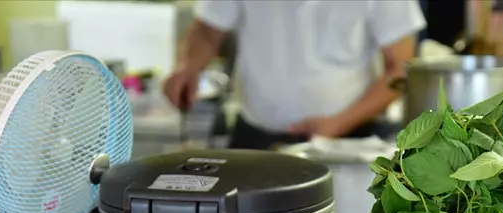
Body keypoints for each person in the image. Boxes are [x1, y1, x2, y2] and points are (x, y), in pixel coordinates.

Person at [164, 0, 426, 150]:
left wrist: (339, 123)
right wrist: (188, 66)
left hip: (347, 141)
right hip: (255, 139)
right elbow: (207, 30)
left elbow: (401, 69)